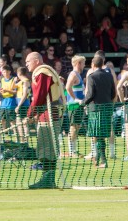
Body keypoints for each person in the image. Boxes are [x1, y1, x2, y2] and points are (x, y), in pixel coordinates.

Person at [25, 50, 64, 189]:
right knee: (46, 146)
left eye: (28, 61)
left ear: (36, 61)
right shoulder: (45, 71)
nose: (26, 64)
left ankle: (48, 180)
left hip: (49, 114)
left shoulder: (42, 72)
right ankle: (48, 179)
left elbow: (39, 96)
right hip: (48, 113)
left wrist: (29, 114)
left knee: (47, 146)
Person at [84, 52, 116, 167]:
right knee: (101, 135)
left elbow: (90, 94)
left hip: (95, 109)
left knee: (98, 135)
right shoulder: (109, 75)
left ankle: (103, 161)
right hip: (107, 108)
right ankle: (98, 158)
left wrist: (83, 104)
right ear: (103, 63)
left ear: (93, 64)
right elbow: (113, 93)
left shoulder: (91, 76)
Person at [64, 55, 86, 158]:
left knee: (76, 127)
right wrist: (75, 99)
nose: (84, 65)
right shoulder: (73, 75)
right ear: (78, 64)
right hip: (74, 106)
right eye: (83, 63)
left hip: (79, 106)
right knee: (73, 127)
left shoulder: (78, 75)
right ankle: (72, 151)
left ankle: (74, 150)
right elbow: (67, 87)